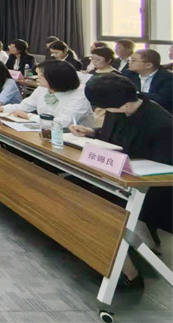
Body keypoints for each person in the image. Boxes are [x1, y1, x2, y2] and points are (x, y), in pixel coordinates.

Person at [71, 74, 173, 284]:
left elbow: (164, 170)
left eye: (104, 108)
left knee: (96, 206)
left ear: (126, 105)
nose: (102, 111)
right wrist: (91, 132)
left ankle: (127, 272)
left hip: (149, 189)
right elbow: (112, 136)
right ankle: (90, 249)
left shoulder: (162, 124)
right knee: (70, 189)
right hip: (115, 177)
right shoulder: (118, 107)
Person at [0, 60, 94, 127]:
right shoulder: (42, 89)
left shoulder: (80, 94)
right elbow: (24, 106)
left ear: (55, 78)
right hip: (46, 132)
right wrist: (2, 109)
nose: (37, 77)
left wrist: (29, 116)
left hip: (74, 139)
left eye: (41, 75)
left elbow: (62, 123)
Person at [124, 49, 173, 113]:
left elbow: (161, 100)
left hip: (159, 113)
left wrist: (137, 94)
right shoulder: (128, 74)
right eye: (129, 60)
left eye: (133, 60)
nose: (129, 62)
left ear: (148, 65)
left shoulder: (168, 77)